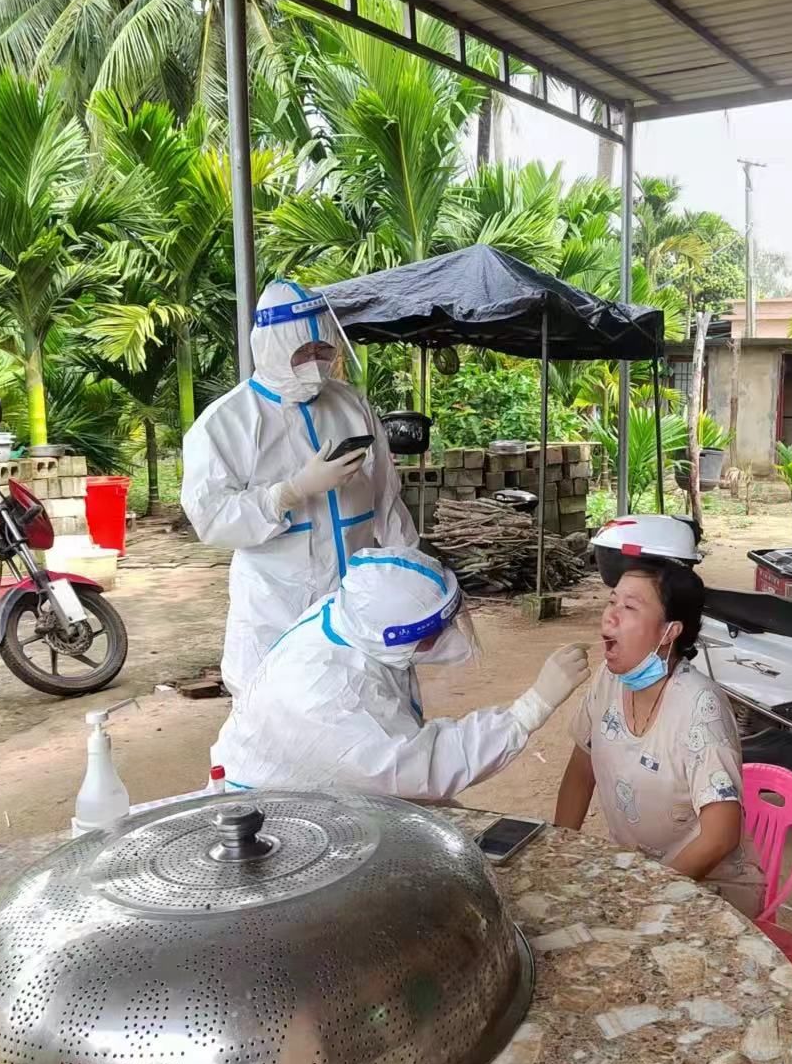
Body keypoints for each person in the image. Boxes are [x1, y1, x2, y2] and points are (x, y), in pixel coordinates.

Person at [183, 279, 414, 696]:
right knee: (280, 710)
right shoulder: (227, 422)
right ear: (271, 347)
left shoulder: (351, 404)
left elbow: (387, 498)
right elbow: (211, 518)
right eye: (302, 353)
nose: (315, 364)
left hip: (356, 602)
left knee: (366, 706)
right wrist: (290, 491)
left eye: (323, 351)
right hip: (277, 610)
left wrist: (412, 569)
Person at [210, 547, 591, 800]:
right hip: (271, 815)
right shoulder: (326, 695)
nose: (448, 637)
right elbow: (420, 767)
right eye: (434, 632)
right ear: (395, 636)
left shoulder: (351, 618)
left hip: (317, 791)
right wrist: (530, 709)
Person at [553, 559, 765, 917]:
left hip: (710, 887)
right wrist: (559, 852)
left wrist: (647, 894)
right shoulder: (608, 680)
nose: (610, 617)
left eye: (630, 607)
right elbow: (580, 770)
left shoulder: (700, 708)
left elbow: (721, 834)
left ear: (669, 632)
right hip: (637, 877)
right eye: (611, 601)